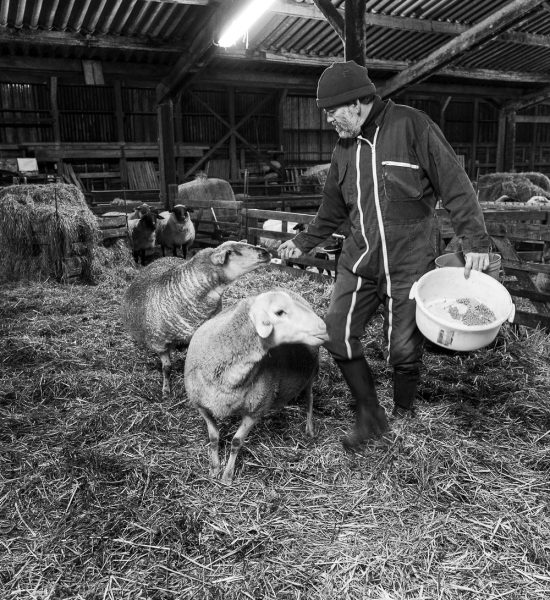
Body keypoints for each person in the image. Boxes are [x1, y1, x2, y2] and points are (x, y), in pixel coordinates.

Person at [278, 60, 491, 450]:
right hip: (360, 259)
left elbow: (456, 184)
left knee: (403, 348)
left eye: (332, 111)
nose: (329, 120)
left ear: (357, 103)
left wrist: (475, 240)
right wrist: (305, 242)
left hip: (410, 260)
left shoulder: (412, 126)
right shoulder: (344, 149)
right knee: (336, 332)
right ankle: (370, 412)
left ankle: (405, 416)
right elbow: (332, 208)